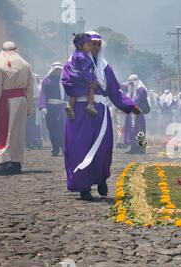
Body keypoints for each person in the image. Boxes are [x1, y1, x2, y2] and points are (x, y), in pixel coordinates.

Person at [61, 31, 142, 201]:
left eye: (98, 44)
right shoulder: (71, 64)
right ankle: (83, 186)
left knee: (103, 148)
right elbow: (68, 82)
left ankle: (101, 179)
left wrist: (130, 105)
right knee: (79, 148)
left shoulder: (106, 67)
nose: (95, 47)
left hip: (99, 112)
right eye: (92, 43)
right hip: (79, 113)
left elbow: (114, 91)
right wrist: (86, 85)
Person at [0, 42, 34, 176]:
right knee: (18, 132)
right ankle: (16, 161)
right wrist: (30, 106)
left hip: (6, 100)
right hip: (22, 101)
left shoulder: (0, 65)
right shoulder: (26, 65)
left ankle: (4, 161)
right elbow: (30, 88)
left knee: (4, 132)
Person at [65, 33, 98, 120]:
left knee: (74, 93)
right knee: (91, 88)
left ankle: (70, 106)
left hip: (73, 77)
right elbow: (85, 70)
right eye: (88, 45)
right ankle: (90, 105)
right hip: (81, 76)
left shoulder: (75, 54)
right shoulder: (83, 57)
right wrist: (92, 80)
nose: (90, 48)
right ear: (80, 45)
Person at [38, 62, 67, 156]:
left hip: (62, 107)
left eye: (60, 70)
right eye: (56, 70)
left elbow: (69, 93)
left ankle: (63, 147)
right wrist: (43, 106)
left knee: (62, 127)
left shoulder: (65, 80)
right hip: (50, 107)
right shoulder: (47, 81)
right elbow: (43, 94)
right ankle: (55, 148)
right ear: (53, 70)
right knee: (51, 127)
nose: (58, 72)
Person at [124, 74, 150, 154]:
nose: (130, 85)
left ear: (135, 82)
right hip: (131, 113)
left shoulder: (141, 90)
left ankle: (141, 149)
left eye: (131, 83)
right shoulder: (132, 90)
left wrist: (126, 103)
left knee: (139, 130)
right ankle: (133, 148)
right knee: (131, 131)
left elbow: (135, 101)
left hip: (138, 114)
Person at [26, 73, 43, 149]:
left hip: (34, 108)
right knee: (27, 126)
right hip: (26, 107)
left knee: (34, 125)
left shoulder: (36, 87)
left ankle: (35, 141)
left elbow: (38, 96)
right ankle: (28, 142)